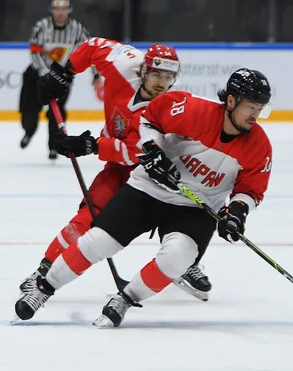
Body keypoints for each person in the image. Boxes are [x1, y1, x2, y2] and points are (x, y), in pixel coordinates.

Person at [14, 68, 274, 328]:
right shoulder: (193, 110)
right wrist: (152, 148)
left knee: (178, 257)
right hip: (150, 189)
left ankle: (125, 299)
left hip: (195, 207)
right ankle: (43, 287)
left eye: (260, 108)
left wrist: (238, 212)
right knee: (99, 241)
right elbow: (150, 119)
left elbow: (251, 189)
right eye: (251, 106)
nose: (255, 115)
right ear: (230, 101)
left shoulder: (259, 145)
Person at [19, 36, 213, 303]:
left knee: (190, 216)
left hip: (153, 177)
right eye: (156, 73)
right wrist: (64, 73)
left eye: (168, 76)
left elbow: (138, 150)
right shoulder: (124, 65)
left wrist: (92, 144)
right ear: (143, 70)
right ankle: (43, 272)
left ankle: (186, 263)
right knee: (88, 217)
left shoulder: (171, 108)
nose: (161, 82)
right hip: (118, 170)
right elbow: (94, 45)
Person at [18, 0, 100, 160]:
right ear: (52, 10)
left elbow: (91, 50)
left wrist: (96, 74)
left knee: (57, 112)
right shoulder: (41, 26)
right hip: (36, 73)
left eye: (64, 9)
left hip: (61, 76)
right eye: (57, 9)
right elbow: (35, 51)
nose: (60, 12)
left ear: (69, 10)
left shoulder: (77, 29)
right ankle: (29, 131)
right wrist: (44, 73)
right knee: (29, 109)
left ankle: (54, 145)